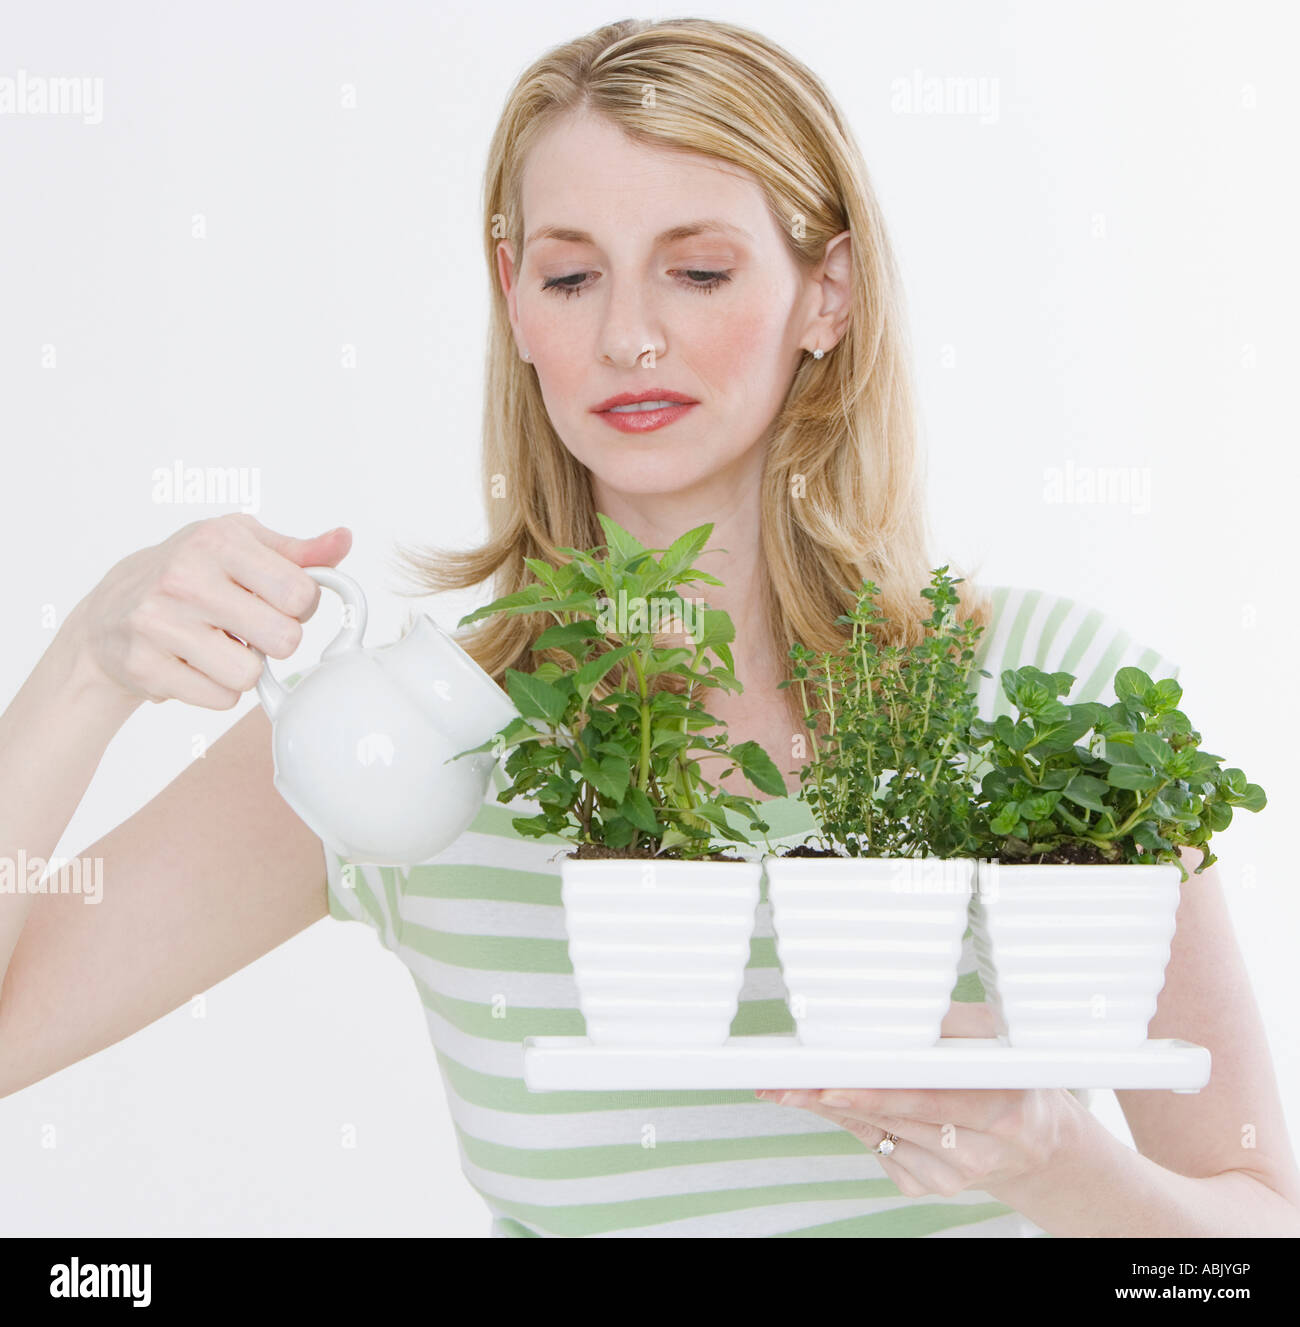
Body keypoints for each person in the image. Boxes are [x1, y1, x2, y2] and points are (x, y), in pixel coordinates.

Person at [2, 17, 1296, 1238]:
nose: (628, 336)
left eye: (698, 271)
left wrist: (1062, 1165)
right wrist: (82, 673)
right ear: (514, 298)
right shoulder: (407, 744)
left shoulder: (1057, 696)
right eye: (571, 275)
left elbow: (1245, 1235)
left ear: (829, 291)